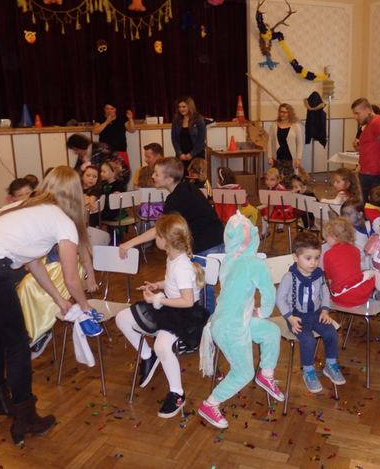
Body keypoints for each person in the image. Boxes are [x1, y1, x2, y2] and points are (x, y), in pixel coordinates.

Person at [0, 166, 103, 446]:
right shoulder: (64, 221)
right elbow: (72, 277)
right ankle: (26, 418)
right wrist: (85, 306)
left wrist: (60, 300)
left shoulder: (26, 206)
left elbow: (33, 261)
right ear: (77, 194)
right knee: (17, 345)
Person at [115, 214, 209, 418]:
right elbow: (172, 283)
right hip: (170, 304)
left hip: (184, 313)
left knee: (163, 345)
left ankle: (177, 393)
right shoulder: (172, 257)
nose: (154, 238)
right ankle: (148, 357)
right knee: (122, 318)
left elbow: (187, 301)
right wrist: (156, 285)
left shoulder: (182, 267)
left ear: (165, 240)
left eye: (157, 235)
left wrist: (157, 300)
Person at [198, 213, 284, 429]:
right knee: (244, 372)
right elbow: (269, 293)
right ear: (255, 237)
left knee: (271, 332)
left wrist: (257, 315)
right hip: (231, 328)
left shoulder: (229, 260)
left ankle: (266, 375)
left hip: (231, 320)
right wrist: (263, 312)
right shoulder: (254, 264)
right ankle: (210, 404)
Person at [119, 157, 224, 313]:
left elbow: (160, 229)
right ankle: (205, 320)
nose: (153, 176)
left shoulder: (175, 199)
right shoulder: (188, 188)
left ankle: (205, 321)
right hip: (216, 241)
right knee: (204, 287)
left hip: (207, 245)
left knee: (204, 288)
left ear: (169, 180)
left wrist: (130, 243)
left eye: (156, 174)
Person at [276, 232, 345, 393]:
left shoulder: (318, 275)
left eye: (316, 258)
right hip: (296, 317)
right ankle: (308, 370)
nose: (313, 262)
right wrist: (290, 318)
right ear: (295, 257)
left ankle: (330, 364)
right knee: (307, 339)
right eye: (308, 258)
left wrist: (325, 311)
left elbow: (325, 293)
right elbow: (279, 299)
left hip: (315, 314)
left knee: (331, 333)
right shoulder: (290, 277)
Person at [322, 217, 380, 307]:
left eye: (326, 237)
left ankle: (372, 293)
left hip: (338, 297)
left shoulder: (327, 254)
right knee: (375, 273)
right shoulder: (355, 250)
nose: (326, 240)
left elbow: (329, 279)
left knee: (358, 276)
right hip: (356, 296)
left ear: (333, 237)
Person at [351, 98, 380, 201]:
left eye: (357, 113)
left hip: (373, 174)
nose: (355, 117)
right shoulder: (369, 125)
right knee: (362, 203)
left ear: (367, 111)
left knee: (368, 204)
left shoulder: (378, 122)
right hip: (366, 172)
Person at [266, 103, 304, 185]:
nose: (281, 114)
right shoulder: (274, 125)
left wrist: (298, 158)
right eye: (280, 112)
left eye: (284, 112)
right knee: (274, 180)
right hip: (277, 158)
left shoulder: (296, 126)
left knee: (289, 181)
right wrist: (269, 157)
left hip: (290, 158)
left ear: (289, 113)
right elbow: (270, 141)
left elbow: (299, 143)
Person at [92, 101, 136, 168]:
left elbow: (132, 130)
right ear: (104, 109)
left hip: (120, 150)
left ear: (115, 109)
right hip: (105, 151)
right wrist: (106, 122)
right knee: (106, 170)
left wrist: (130, 119)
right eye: (107, 109)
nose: (109, 111)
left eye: (111, 109)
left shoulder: (121, 119)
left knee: (122, 171)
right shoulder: (100, 119)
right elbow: (95, 131)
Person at [170, 96, 206, 173]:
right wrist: (180, 154)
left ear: (190, 106)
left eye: (184, 107)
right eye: (179, 107)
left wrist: (191, 154)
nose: (181, 109)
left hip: (196, 155)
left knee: (196, 177)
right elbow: (174, 138)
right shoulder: (176, 119)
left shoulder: (198, 119)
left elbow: (201, 139)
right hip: (182, 155)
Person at [259, 167, 295, 239]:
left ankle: (264, 232)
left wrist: (267, 216)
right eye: (267, 179)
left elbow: (271, 205)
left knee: (264, 214)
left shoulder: (275, 192)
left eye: (272, 180)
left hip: (282, 213)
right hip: (287, 209)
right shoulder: (280, 186)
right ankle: (280, 227)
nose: (269, 182)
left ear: (278, 180)